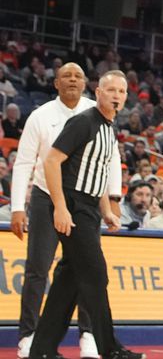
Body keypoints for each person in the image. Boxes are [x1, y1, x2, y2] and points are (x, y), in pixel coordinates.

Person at [27, 70, 142, 359]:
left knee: (68, 280)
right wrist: (61, 207)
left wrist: (107, 211)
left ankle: (41, 350)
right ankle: (110, 349)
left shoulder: (108, 128)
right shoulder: (84, 121)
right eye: (110, 90)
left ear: (126, 97)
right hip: (74, 206)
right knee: (95, 275)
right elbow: (51, 161)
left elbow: (99, 174)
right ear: (98, 92)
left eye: (121, 92)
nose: (116, 96)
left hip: (89, 207)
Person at [10, 62, 103, 359]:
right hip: (45, 197)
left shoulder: (97, 113)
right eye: (66, 76)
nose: (73, 80)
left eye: (78, 76)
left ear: (86, 82)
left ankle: (88, 335)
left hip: (83, 200)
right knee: (38, 269)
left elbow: (109, 158)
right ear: (56, 83)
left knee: (87, 270)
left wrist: (111, 200)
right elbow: (24, 163)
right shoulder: (40, 116)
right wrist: (16, 207)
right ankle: (28, 335)